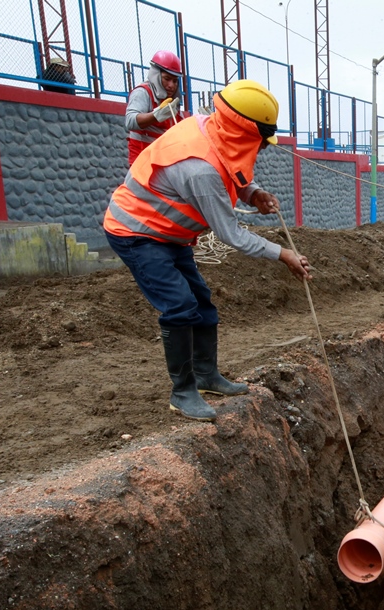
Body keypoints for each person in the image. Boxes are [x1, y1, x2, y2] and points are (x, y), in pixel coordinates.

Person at [103, 79, 311, 422]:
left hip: (170, 234)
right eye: (261, 141)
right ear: (245, 133)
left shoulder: (209, 127)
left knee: (201, 302)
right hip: (137, 232)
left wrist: (253, 193)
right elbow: (231, 234)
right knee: (179, 305)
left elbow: (232, 166)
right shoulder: (199, 169)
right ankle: (183, 392)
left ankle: (206, 375)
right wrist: (283, 253)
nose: (262, 149)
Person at [125, 50, 184, 166]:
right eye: (167, 79)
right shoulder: (143, 93)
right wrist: (155, 115)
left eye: (175, 81)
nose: (171, 85)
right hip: (143, 164)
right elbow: (130, 121)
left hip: (164, 164)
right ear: (155, 75)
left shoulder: (171, 101)